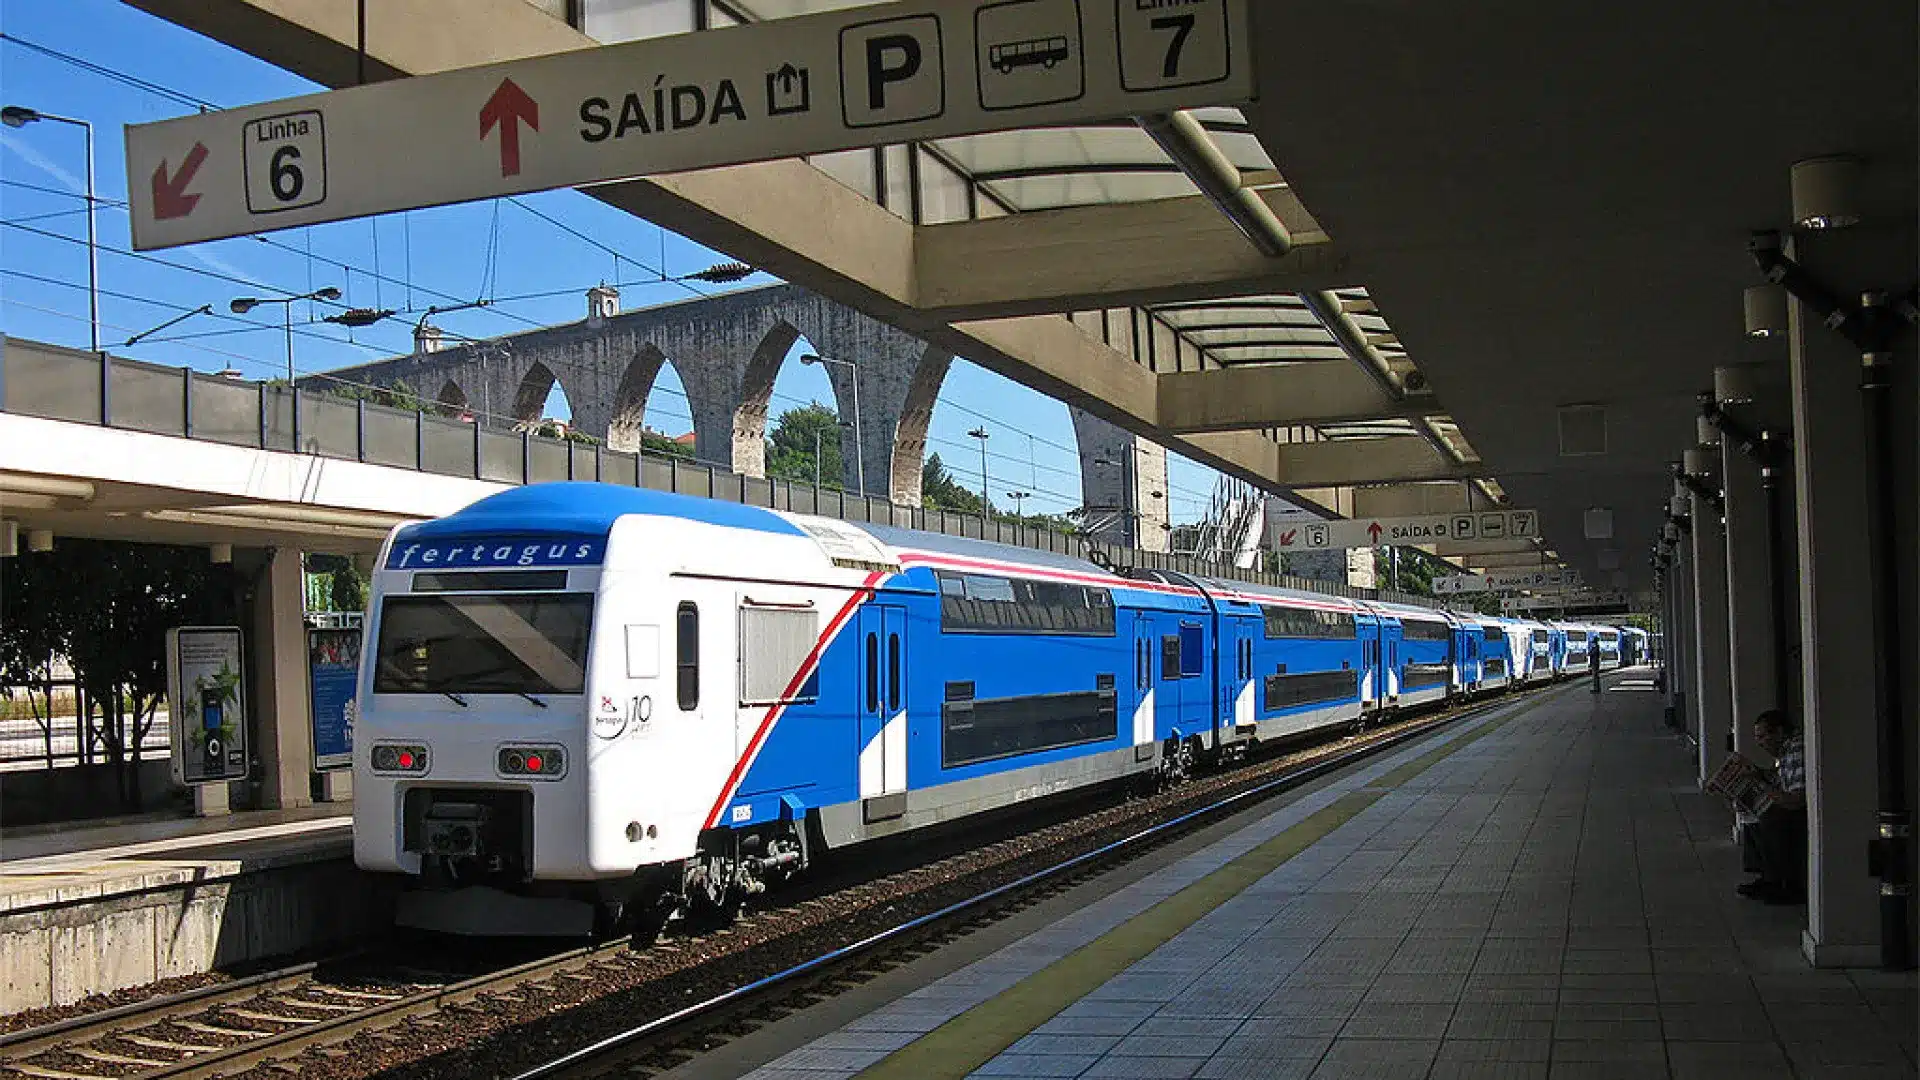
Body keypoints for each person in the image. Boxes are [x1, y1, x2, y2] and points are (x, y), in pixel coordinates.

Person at [1739, 709, 1806, 904]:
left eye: (1762, 736)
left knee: (1768, 816)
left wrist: (1762, 787)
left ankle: (1780, 883)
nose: (1759, 743)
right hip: (1790, 803)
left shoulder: (1796, 750)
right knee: (1749, 807)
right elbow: (1781, 779)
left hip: (1797, 811)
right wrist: (1759, 775)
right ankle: (1768, 877)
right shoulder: (1786, 751)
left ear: (1779, 732)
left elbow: (1796, 799)